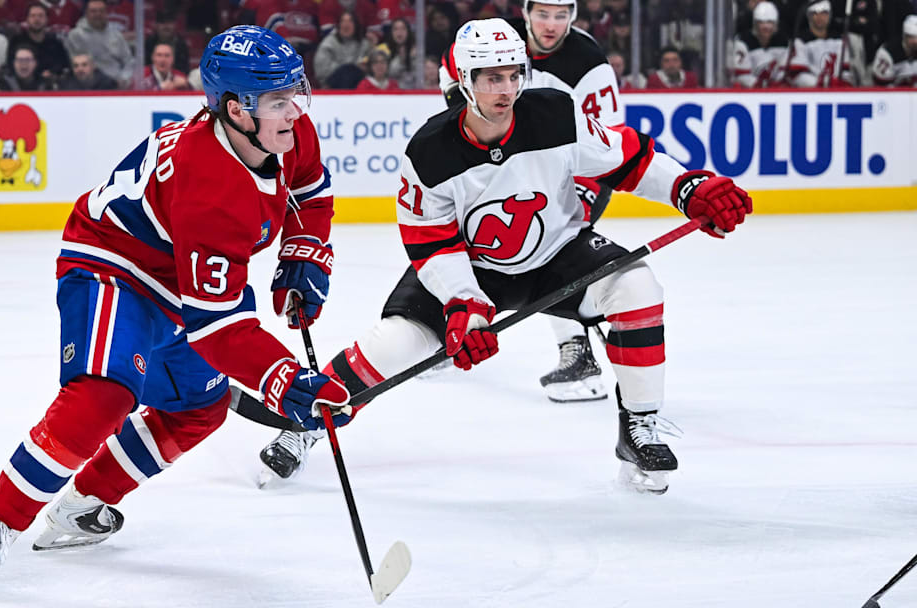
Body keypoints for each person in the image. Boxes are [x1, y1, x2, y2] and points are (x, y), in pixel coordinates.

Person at [260, 19, 751, 495]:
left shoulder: (558, 113)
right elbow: (432, 244)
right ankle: (302, 424)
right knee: (392, 344)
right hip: (469, 271)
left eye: (515, 74)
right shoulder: (430, 151)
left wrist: (689, 187)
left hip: (558, 255)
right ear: (466, 81)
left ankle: (639, 429)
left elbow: (629, 157)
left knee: (638, 287)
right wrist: (463, 304)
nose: (507, 88)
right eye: (493, 77)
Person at [0, 25, 349, 585]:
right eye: (278, 100)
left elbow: (310, 188)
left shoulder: (285, 134)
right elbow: (219, 329)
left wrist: (306, 249)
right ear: (235, 108)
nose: (295, 111)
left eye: (296, 93)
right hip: (114, 265)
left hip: (178, 278)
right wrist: (282, 379)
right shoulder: (211, 187)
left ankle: (84, 504)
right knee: (104, 395)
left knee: (197, 408)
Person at [435, 0, 626, 405]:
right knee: (464, 244)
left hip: (572, 176)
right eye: (543, 14)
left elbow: (607, 143)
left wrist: (580, 200)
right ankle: (450, 326)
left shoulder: (588, 64)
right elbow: (458, 95)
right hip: (510, 166)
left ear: (573, 16)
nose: (551, 24)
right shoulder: (497, 44)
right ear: (525, 12)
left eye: (561, 15)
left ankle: (577, 352)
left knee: (543, 252)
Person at [787, 0, 866, 87]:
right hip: (811, 94)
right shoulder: (800, 41)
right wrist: (820, 82)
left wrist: (843, 83)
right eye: (815, 13)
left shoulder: (839, 40)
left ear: (829, 15)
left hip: (835, 93)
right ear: (809, 16)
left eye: (824, 13)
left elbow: (846, 70)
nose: (820, 17)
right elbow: (797, 75)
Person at [65, 0, 134, 88]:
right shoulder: (75, 36)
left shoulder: (116, 35)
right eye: (93, 11)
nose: (98, 14)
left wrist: (124, 78)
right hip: (87, 86)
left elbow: (129, 61)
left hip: (116, 84)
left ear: (106, 13)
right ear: (86, 14)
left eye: (101, 11)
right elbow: (74, 64)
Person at [6, 3, 70, 82]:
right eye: (33, 16)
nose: (37, 19)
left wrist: (52, 73)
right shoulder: (16, 41)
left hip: (50, 86)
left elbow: (63, 65)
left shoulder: (55, 43)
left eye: (41, 16)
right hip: (21, 86)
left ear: (47, 19)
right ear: (27, 19)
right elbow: (10, 66)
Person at [731, 1, 788, 88]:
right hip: (750, 92)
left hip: (777, 92)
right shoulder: (743, 41)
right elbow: (740, 75)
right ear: (755, 23)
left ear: (776, 23)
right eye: (761, 22)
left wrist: (779, 84)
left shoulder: (783, 41)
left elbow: (785, 71)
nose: (766, 27)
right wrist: (761, 84)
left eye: (770, 22)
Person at [870, 14, 917, 87]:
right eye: (912, 37)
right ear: (905, 36)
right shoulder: (888, 52)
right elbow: (881, 87)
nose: (916, 41)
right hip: (891, 94)